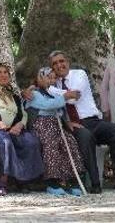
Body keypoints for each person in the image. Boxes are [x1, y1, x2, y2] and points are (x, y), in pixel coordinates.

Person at [48, 51, 115, 193]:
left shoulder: (79, 74)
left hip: (94, 121)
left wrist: (52, 91)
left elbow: (73, 97)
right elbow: (61, 96)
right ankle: (95, 183)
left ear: (68, 62)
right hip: (74, 125)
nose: (59, 65)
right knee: (85, 136)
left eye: (62, 61)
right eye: (55, 63)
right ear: (52, 68)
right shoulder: (53, 83)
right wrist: (52, 89)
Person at [0, 62, 44, 196]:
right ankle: (2, 181)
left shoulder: (14, 95)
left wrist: (20, 125)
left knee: (31, 141)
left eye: (6, 72)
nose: (3, 75)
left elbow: (23, 113)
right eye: (0, 72)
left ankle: (24, 180)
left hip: (14, 130)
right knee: (4, 141)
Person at [25, 67, 85, 196]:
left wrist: (63, 101)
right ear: (40, 78)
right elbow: (47, 105)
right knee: (51, 144)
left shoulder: (53, 94)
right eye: (48, 77)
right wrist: (65, 97)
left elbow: (60, 108)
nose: (51, 81)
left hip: (56, 125)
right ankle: (52, 182)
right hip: (41, 125)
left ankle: (70, 180)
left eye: (53, 78)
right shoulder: (33, 94)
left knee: (69, 142)